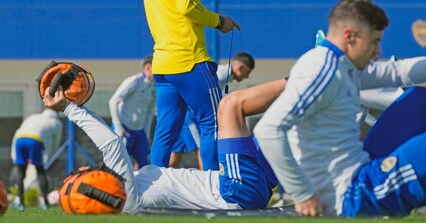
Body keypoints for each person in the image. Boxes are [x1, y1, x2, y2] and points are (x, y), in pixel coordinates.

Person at [254, 0, 426, 217]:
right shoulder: (322, 70)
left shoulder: (342, 65)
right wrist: (303, 195)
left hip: (361, 171)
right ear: (350, 36)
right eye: (375, 42)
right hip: (353, 195)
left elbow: (397, 72)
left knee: (421, 100)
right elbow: (268, 129)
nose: (378, 51)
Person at [41, 78, 279, 212]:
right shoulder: (124, 195)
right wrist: (69, 109)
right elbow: (112, 144)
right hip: (236, 190)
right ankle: (308, 76)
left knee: (279, 131)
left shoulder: (126, 193)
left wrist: (76, 107)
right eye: (79, 173)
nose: (84, 169)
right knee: (231, 105)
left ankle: (310, 89)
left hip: (245, 189)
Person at [142, 0, 240, 170]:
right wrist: (220, 22)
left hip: (163, 66)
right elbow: (188, 7)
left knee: (165, 133)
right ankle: (214, 188)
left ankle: (152, 191)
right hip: (190, 62)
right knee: (214, 122)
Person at [170, 52, 255, 168]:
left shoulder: (225, 75)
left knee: (175, 155)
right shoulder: (222, 74)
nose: (247, 76)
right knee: (202, 149)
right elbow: (197, 86)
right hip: (191, 116)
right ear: (241, 68)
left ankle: (160, 179)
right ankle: (207, 182)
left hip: (190, 115)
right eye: (247, 72)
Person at [10, 108, 62, 211]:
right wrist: (49, 156)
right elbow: (55, 143)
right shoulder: (56, 123)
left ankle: (20, 202)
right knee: (40, 171)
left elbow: (17, 132)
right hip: (35, 140)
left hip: (19, 139)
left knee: (21, 172)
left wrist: (13, 154)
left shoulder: (33, 116)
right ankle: (45, 203)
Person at [109, 55, 156, 170]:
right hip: (124, 130)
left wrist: (146, 133)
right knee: (119, 166)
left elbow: (150, 112)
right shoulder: (134, 81)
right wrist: (119, 127)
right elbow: (113, 101)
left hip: (139, 132)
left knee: (144, 167)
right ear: (148, 67)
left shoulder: (155, 86)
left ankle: (139, 188)